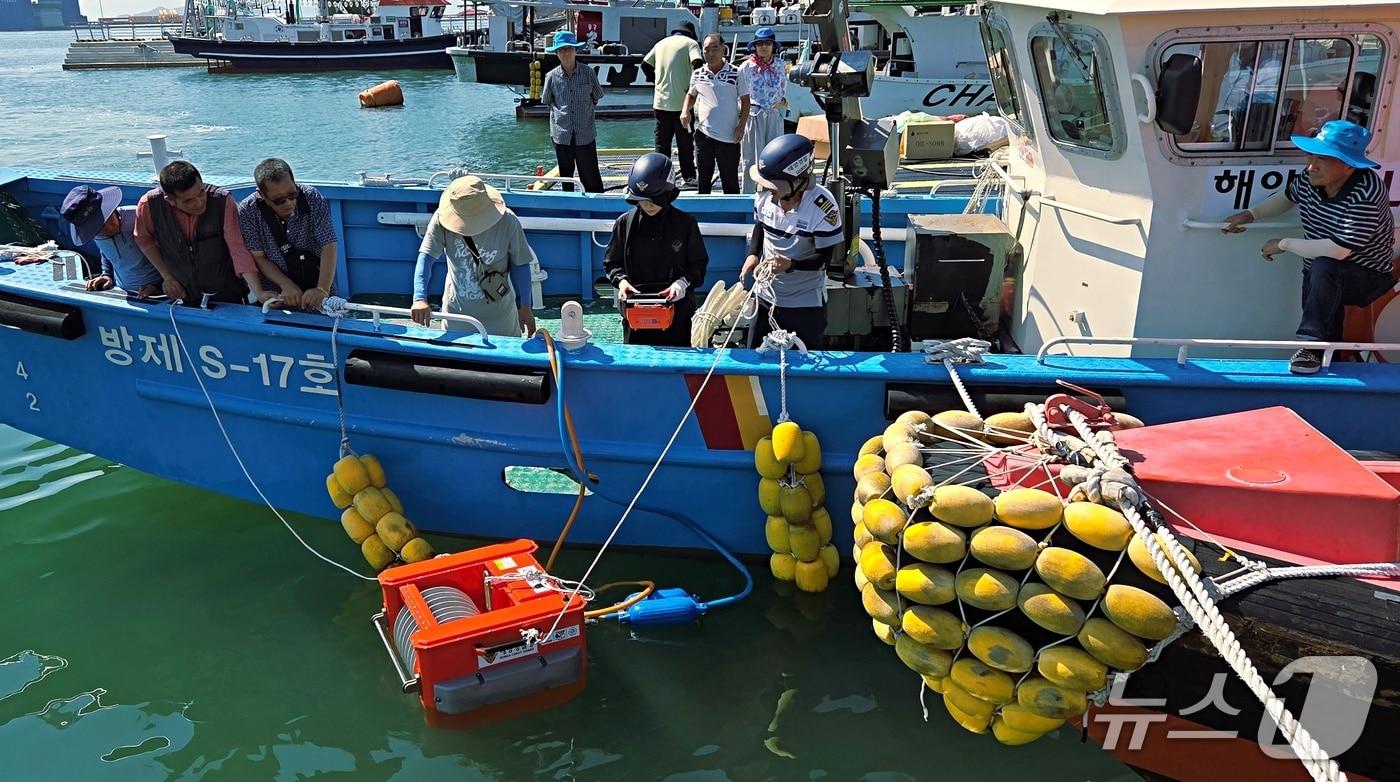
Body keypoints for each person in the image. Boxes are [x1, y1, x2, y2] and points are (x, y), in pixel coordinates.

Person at [1223, 120, 1396, 375]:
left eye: (1322, 159)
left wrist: (1282, 244)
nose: (1311, 166)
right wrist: (1250, 215)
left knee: (1325, 266)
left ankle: (1309, 347)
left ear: (1348, 166)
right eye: (1311, 156)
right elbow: (1287, 197)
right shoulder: (1311, 177)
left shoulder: (1367, 193)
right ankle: (1332, 369)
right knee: (1321, 278)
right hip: (1321, 272)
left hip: (1368, 276)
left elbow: (1338, 250)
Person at [740, 134, 844, 350]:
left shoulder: (823, 207)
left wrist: (791, 264)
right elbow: (761, 226)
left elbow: (823, 260)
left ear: (796, 181)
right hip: (765, 297)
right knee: (754, 355)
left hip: (804, 303)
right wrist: (752, 254)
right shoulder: (764, 198)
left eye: (774, 186)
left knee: (807, 361)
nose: (769, 191)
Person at [602, 153, 709, 346]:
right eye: (641, 200)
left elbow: (698, 265)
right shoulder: (624, 223)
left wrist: (681, 284)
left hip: (676, 310)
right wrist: (622, 282)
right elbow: (612, 263)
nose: (647, 205)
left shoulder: (686, 224)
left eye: (653, 200)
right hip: (635, 310)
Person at [411, 175, 538, 337]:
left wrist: (526, 307)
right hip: (456, 315)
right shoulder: (440, 219)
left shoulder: (508, 220)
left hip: (502, 316)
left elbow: (520, 263)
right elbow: (425, 259)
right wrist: (419, 298)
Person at [134, 161, 259, 305]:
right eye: (188, 201)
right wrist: (166, 276)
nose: (199, 202)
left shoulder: (223, 201)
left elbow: (238, 248)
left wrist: (258, 292)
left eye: (201, 192)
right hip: (184, 295)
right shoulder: (148, 206)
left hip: (228, 293)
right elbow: (143, 239)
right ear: (170, 200)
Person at [237, 158, 339, 312]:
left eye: (292, 194)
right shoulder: (248, 210)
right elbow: (258, 256)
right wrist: (285, 285)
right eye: (279, 200)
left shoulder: (312, 197)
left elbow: (329, 243)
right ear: (262, 195)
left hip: (317, 281)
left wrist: (322, 289)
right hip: (277, 292)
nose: (288, 203)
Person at [59, 184, 163, 299]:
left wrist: (159, 286)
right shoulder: (95, 235)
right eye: (98, 228)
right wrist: (106, 274)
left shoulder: (139, 217)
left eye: (107, 218)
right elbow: (106, 251)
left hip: (160, 293)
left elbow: (172, 253)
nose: (108, 228)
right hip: (123, 294)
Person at [682, 34, 751, 194]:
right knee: (703, 181)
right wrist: (685, 110)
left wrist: (741, 127)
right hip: (703, 135)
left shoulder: (736, 72)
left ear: (723, 49)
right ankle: (702, 216)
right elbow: (691, 95)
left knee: (730, 182)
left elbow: (746, 101)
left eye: (715, 48)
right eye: (706, 49)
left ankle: (733, 216)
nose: (711, 53)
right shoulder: (698, 73)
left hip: (729, 137)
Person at [539, 31, 605, 193]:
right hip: (562, 135)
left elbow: (596, 96)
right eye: (561, 50)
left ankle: (597, 205)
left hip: (585, 133)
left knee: (590, 176)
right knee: (566, 177)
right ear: (556, 53)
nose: (566, 53)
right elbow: (548, 101)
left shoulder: (588, 73)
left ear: (576, 51)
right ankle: (570, 205)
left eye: (569, 48)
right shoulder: (551, 77)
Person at [643, 23, 702, 187]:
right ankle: (689, 177)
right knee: (685, 144)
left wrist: (656, 82)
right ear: (691, 34)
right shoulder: (691, 44)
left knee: (662, 144)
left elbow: (645, 65)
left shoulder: (660, 43)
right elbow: (698, 63)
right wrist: (694, 87)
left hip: (661, 103)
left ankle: (661, 177)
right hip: (683, 105)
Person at [738, 27, 788, 193]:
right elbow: (739, 94)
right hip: (753, 114)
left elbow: (785, 89)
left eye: (767, 43)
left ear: (773, 46)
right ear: (755, 46)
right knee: (751, 159)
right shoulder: (745, 67)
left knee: (775, 157)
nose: (764, 47)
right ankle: (749, 195)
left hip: (774, 114)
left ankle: (774, 194)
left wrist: (782, 103)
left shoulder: (781, 65)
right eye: (760, 43)